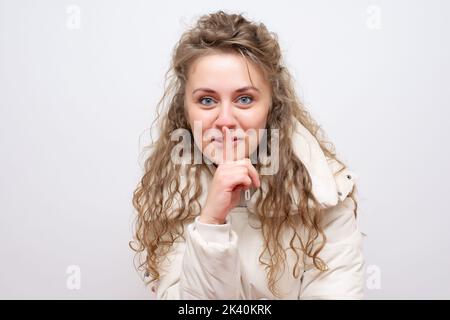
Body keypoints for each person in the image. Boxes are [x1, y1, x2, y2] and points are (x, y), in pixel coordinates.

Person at [130, 10, 365, 299]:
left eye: (244, 99)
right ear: (185, 110)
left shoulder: (325, 189)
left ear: (272, 106)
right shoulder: (170, 193)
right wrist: (211, 222)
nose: (225, 119)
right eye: (207, 100)